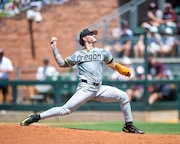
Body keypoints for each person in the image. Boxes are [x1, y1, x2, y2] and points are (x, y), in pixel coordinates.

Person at [20, 28, 144, 134]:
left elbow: (112, 64)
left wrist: (120, 69)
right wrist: (54, 49)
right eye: (91, 34)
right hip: (85, 88)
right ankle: (36, 116)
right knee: (65, 110)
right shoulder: (78, 55)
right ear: (84, 38)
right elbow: (62, 64)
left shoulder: (103, 52)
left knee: (123, 96)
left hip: (99, 88)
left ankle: (128, 125)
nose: (94, 35)